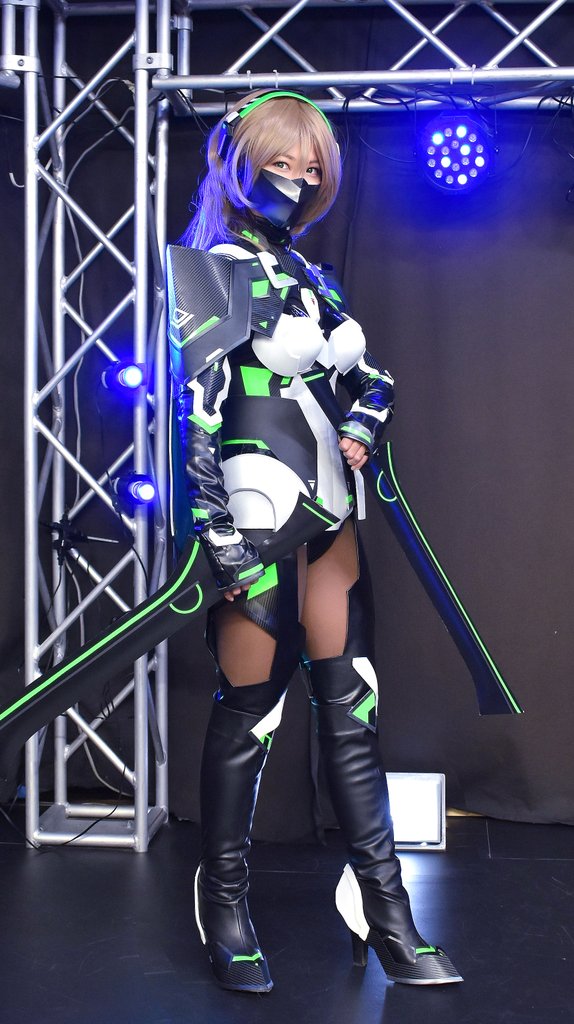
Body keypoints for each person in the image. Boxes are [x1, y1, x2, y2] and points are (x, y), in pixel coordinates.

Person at [167, 90, 462, 993]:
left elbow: (374, 378)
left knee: (352, 707)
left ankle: (385, 909)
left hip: (331, 507)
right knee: (251, 710)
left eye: (310, 169)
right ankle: (223, 902)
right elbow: (195, 410)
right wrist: (217, 537)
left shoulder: (315, 279)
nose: (296, 181)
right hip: (254, 507)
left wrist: (365, 423)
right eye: (280, 164)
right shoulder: (206, 269)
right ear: (238, 162)